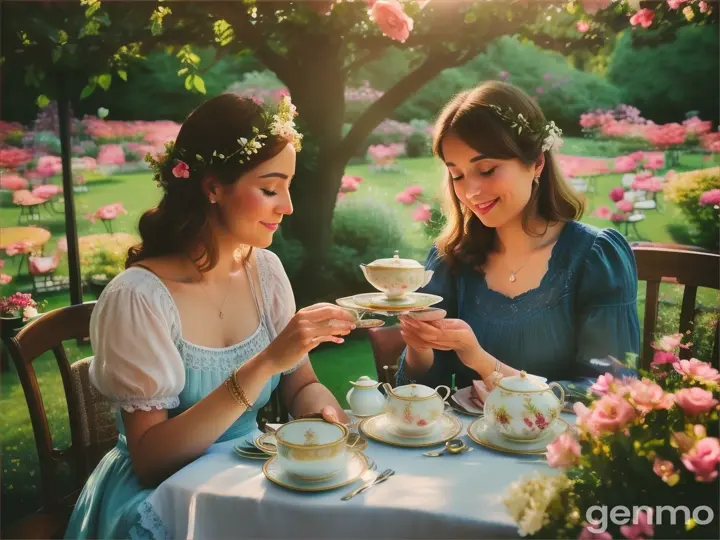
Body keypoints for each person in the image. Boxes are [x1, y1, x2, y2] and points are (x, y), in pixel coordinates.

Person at [65, 94, 357, 539]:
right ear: (213, 186)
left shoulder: (266, 272)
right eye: (270, 188)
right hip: (163, 502)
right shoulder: (138, 298)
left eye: (289, 186)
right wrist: (265, 363)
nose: (288, 206)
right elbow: (151, 462)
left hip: (248, 479)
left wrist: (326, 419)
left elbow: (302, 383)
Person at [396, 81, 640, 400]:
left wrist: (485, 364)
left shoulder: (595, 257)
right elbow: (417, 395)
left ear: (536, 163)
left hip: (562, 448)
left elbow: (613, 391)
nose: (470, 191)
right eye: (457, 175)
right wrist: (418, 347)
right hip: (469, 446)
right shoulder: (450, 260)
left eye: (486, 170)